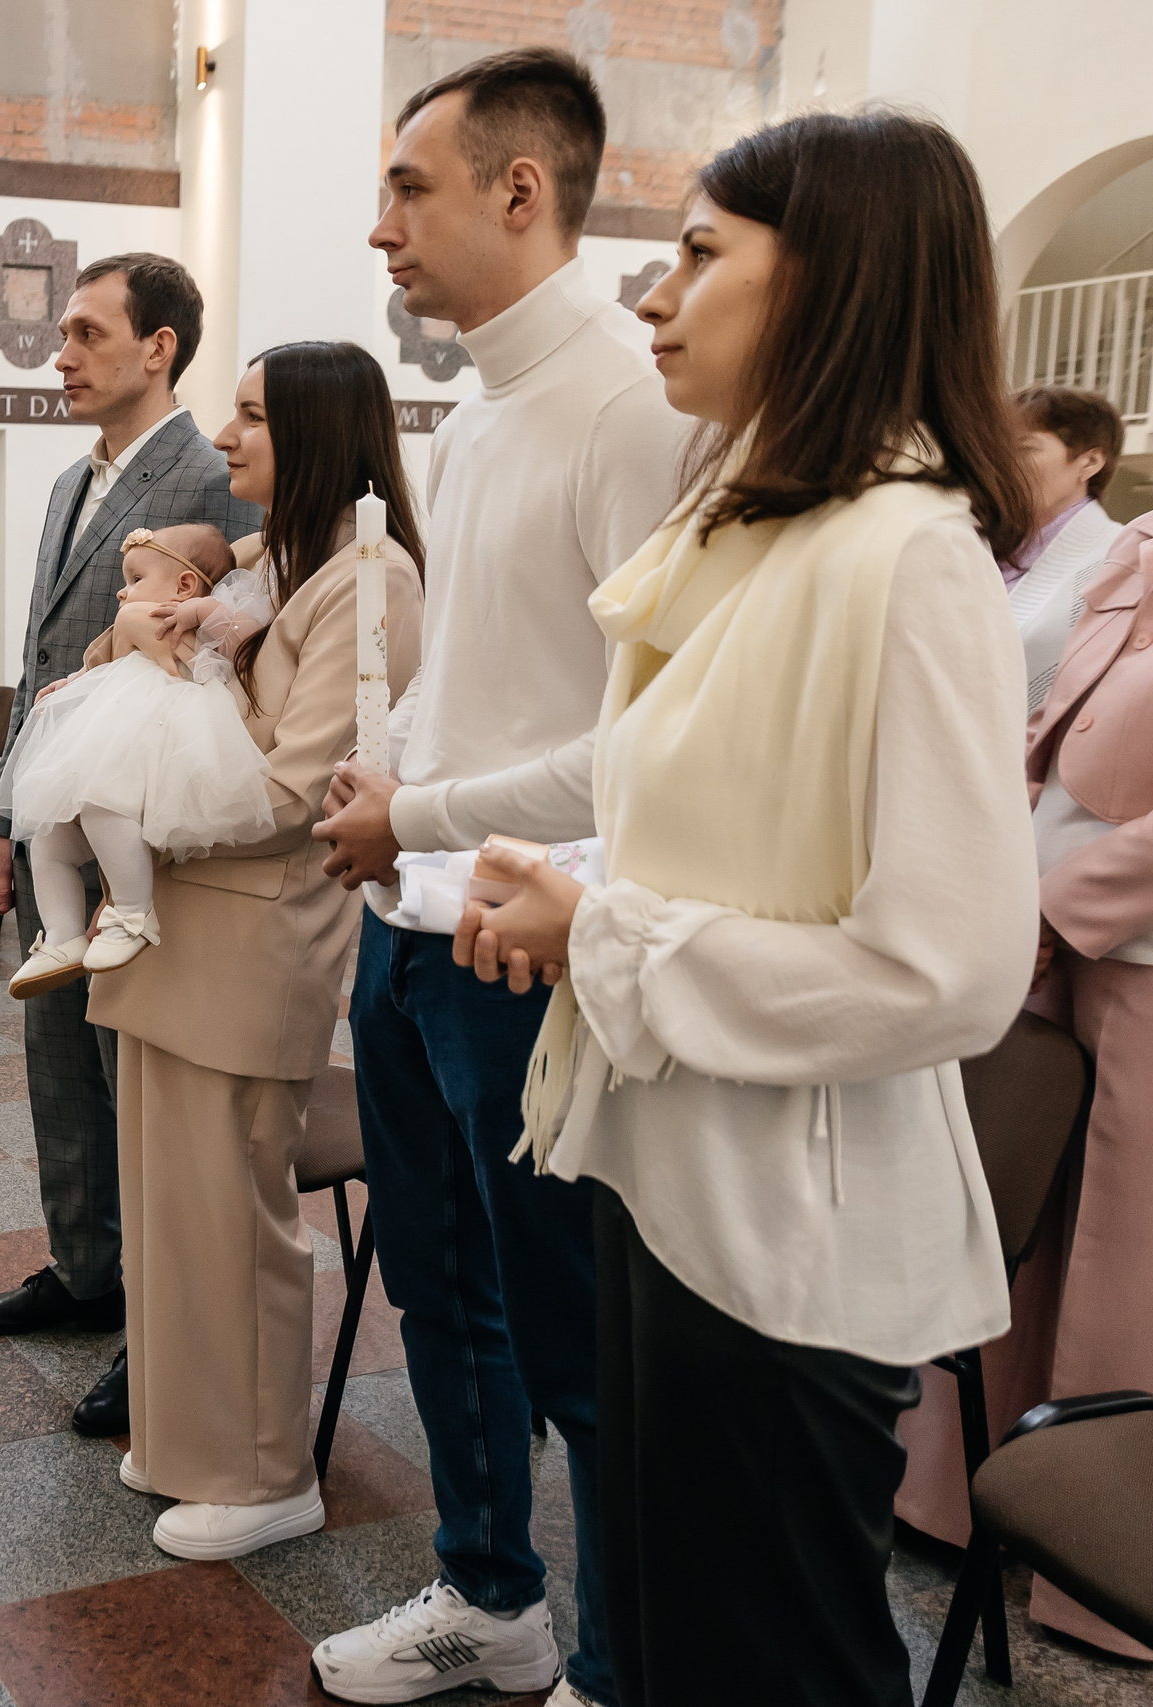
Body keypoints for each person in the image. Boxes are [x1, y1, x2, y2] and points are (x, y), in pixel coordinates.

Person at [457, 109, 1038, 1705]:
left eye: (704, 254)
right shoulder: (762, 532)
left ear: (831, 280)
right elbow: (707, 823)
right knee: (670, 1643)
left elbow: (950, 971)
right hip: (677, 1173)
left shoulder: (909, 559)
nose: (658, 296)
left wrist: (606, 936)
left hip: (793, 1235)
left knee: (771, 1665)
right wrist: (566, 892)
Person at [306, 48, 684, 1707]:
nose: (378, 225)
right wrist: (394, 804)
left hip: (522, 937)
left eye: (410, 188)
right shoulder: (473, 412)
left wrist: (426, 810)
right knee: (438, 1289)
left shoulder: (630, 401)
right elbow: (479, 671)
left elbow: (649, 746)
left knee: (570, 1330)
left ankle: (616, 1661)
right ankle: (489, 1591)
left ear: (521, 193)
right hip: (412, 920)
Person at [82, 339, 424, 1559]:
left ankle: (269, 1469)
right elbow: (125, 647)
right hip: (182, 929)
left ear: (326, 434)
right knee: (170, 1209)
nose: (224, 441)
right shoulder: (276, 559)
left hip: (254, 934)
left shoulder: (366, 582)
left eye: (251, 420)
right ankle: (188, 1441)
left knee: (235, 1213)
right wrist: (156, 640)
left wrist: (190, 659)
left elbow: (291, 787)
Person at [0, 253, 261, 1442]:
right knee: (55, 1059)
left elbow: (236, 657)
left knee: (140, 1082)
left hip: (149, 836)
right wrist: (1, 815)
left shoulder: (214, 473)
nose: (61, 353)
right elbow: (41, 666)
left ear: (159, 349)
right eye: (64, 334)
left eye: (86, 332)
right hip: (55, 812)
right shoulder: (72, 482)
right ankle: (84, 1274)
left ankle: (158, 1328)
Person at [895, 515, 1153, 1663]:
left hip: (1125, 942)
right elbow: (1048, 727)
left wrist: (1059, 901)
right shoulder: (1137, 544)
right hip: (1050, 928)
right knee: (1018, 1236)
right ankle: (958, 1498)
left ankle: (1103, 1571)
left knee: (1120, 1260)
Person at [2, 520, 277, 995]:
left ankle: (132, 910)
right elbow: (100, 665)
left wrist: (204, 609)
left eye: (135, 579)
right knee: (48, 832)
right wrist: (71, 685)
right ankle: (64, 935)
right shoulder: (128, 626)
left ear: (185, 584)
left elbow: (251, 644)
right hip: (112, 736)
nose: (121, 593)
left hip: (168, 739)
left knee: (102, 800)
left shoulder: (198, 618)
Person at [1001, 384, 1126, 712]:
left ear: (1089, 462)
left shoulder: (1123, 556)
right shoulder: (979, 545)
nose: (1004, 465)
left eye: (1025, 448)